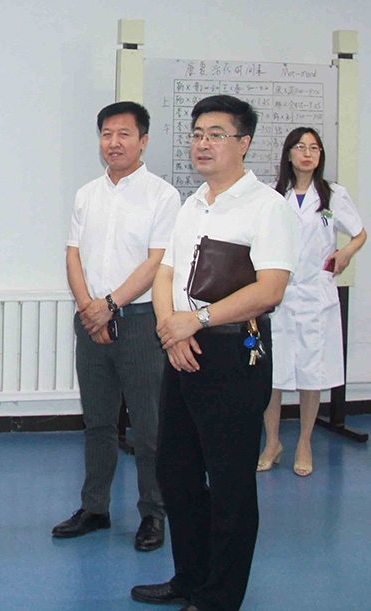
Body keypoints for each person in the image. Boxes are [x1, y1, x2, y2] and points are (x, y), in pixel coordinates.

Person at [131, 95, 299, 611]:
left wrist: (198, 320)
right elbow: (166, 273)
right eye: (198, 134)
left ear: (244, 143)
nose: (203, 144)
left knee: (229, 484)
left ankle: (220, 598)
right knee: (176, 473)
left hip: (233, 354)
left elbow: (270, 289)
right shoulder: (192, 203)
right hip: (182, 349)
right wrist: (171, 328)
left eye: (216, 134)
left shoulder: (267, 207)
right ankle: (190, 578)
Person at [54, 101, 179, 551]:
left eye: (124, 134)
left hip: (141, 323)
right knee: (98, 423)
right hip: (91, 321)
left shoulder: (163, 196)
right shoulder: (86, 194)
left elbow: (156, 262)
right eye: (107, 134)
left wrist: (109, 305)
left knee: (149, 427)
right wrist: (90, 309)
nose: (114, 142)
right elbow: (73, 254)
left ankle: (153, 513)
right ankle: (95, 508)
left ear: (143, 140)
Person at [257, 127, 366, 477]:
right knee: (273, 372)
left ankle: (304, 441)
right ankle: (273, 441)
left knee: (312, 371)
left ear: (320, 156)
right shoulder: (273, 195)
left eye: (314, 148)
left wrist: (345, 252)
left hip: (316, 294)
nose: (307, 153)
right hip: (279, 294)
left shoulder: (333, 194)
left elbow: (360, 232)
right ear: (288, 154)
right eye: (300, 147)